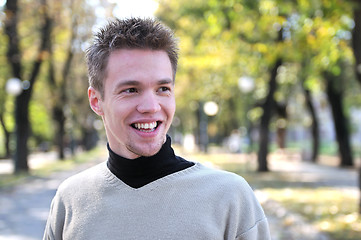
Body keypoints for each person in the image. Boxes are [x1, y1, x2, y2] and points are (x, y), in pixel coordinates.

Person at [43, 17, 271, 240]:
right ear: (96, 101)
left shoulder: (230, 197)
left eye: (162, 88)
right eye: (131, 90)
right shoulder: (70, 199)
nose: (151, 107)